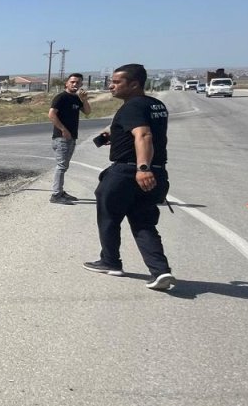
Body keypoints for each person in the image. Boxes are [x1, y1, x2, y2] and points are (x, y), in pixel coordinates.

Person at [83, 64, 176, 291]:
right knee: (144, 222)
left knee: (109, 217)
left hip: (128, 173)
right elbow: (141, 134)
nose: (111, 85)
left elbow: (143, 134)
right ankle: (160, 271)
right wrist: (113, 137)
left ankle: (110, 262)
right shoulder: (156, 105)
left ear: (134, 84)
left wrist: (141, 168)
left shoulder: (132, 107)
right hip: (157, 171)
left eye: (116, 82)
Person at [48, 73, 91, 204]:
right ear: (66, 83)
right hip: (61, 138)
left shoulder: (77, 99)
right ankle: (56, 195)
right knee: (61, 166)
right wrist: (63, 130)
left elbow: (88, 112)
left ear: (81, 84)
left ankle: (60, 191)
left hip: (71, 137)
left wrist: (84, 99)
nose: (75, 84)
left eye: (78, 82)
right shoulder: (61, 97)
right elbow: (51, 114)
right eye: (72, 82)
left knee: (64, 166)